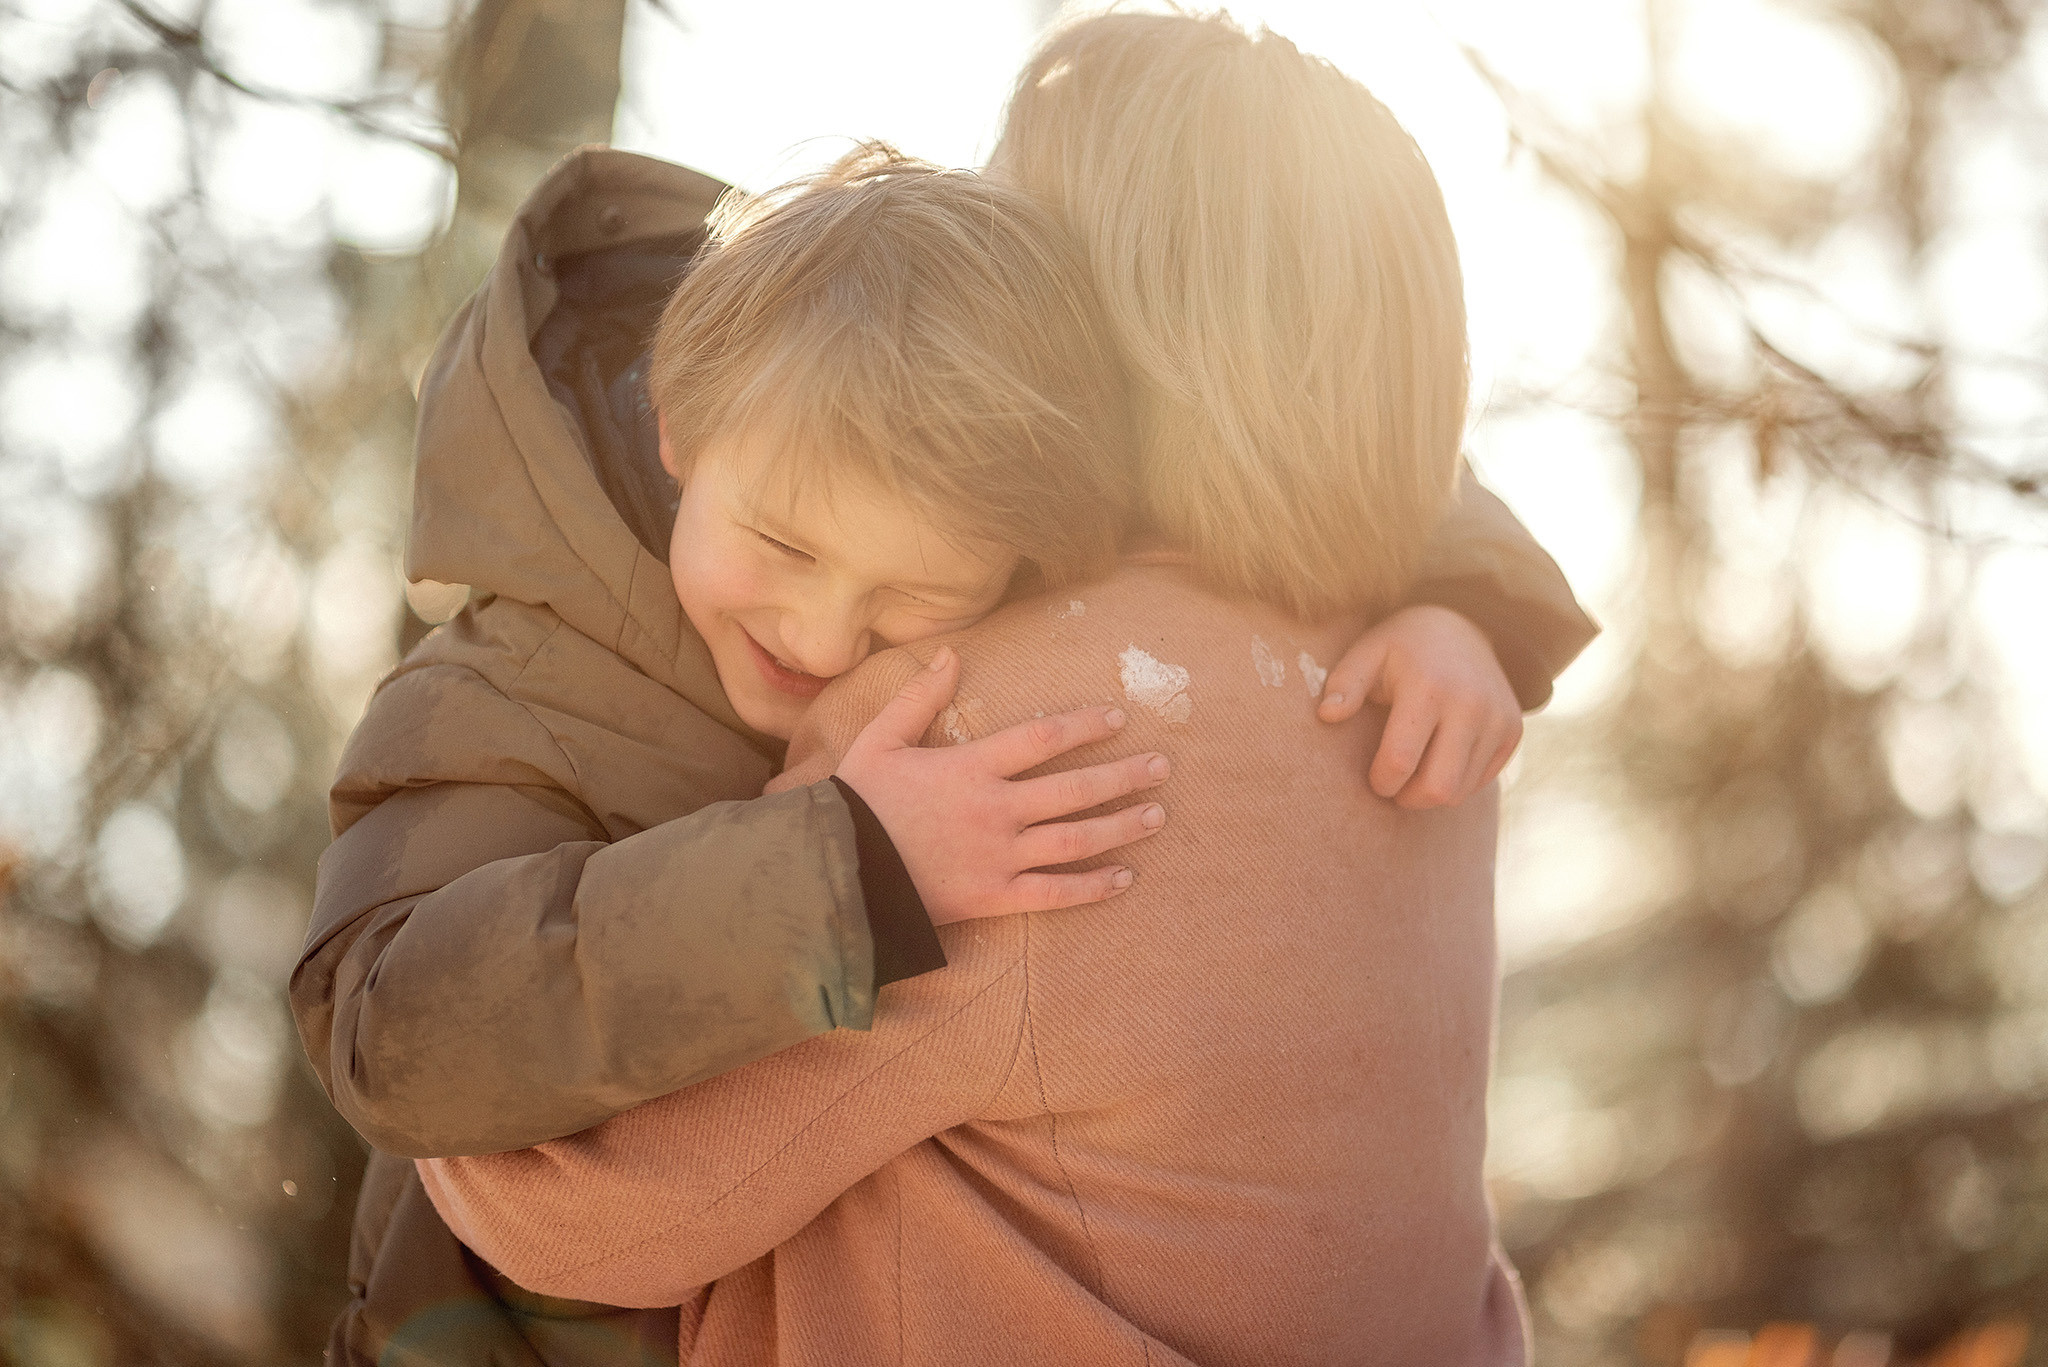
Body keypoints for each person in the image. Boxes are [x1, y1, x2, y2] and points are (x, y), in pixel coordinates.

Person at [298, 41, 1589, 1367]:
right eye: (789, 548)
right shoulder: (539, 667)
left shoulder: (1016, 702)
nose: (822, 630)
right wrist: (834, 870)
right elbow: (400, 1035)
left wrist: (1475, 591)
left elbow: (573, 1208)